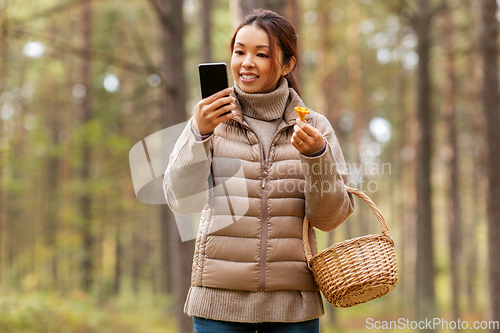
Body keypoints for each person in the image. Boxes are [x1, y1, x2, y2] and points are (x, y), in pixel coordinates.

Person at [164, 9, 354, 333]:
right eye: (239, 51)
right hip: (217, 305)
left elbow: (330, 218)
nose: (246, 62)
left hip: (293, 309)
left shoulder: (315, 127)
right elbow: (182, 201)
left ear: (288, 64)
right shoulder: (210, 119)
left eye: (261, 54)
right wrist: (199, 134)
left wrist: (317, 156)